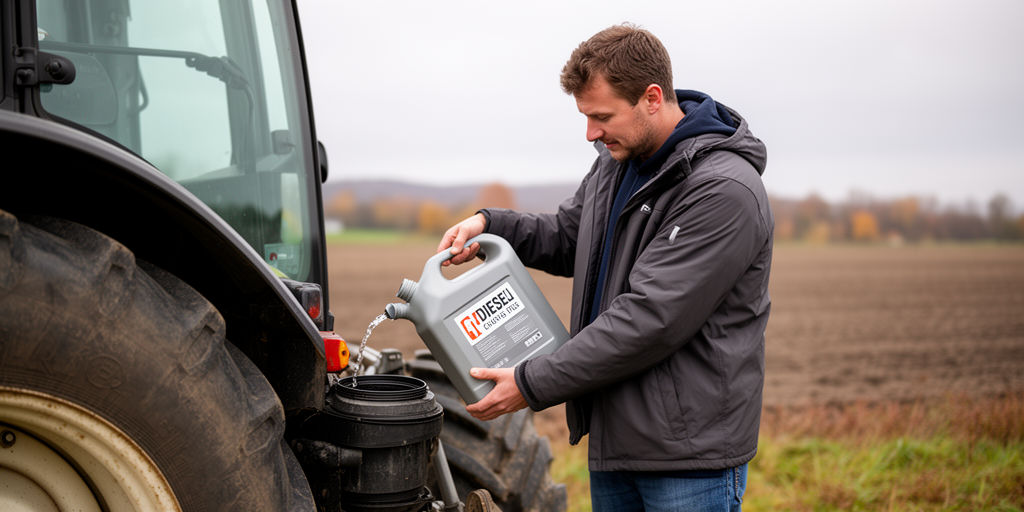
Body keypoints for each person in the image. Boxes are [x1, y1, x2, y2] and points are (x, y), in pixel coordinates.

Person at [437, 23, 773, 512]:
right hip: (617, 442)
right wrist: (490, 224)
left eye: (602, 116)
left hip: (688, 458)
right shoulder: (616, 163)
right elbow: (569, 237)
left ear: (651, 98)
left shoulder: (723, 190)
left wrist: (530, 382)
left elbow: (649, 318)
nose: (591, 133)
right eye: (586, 117)